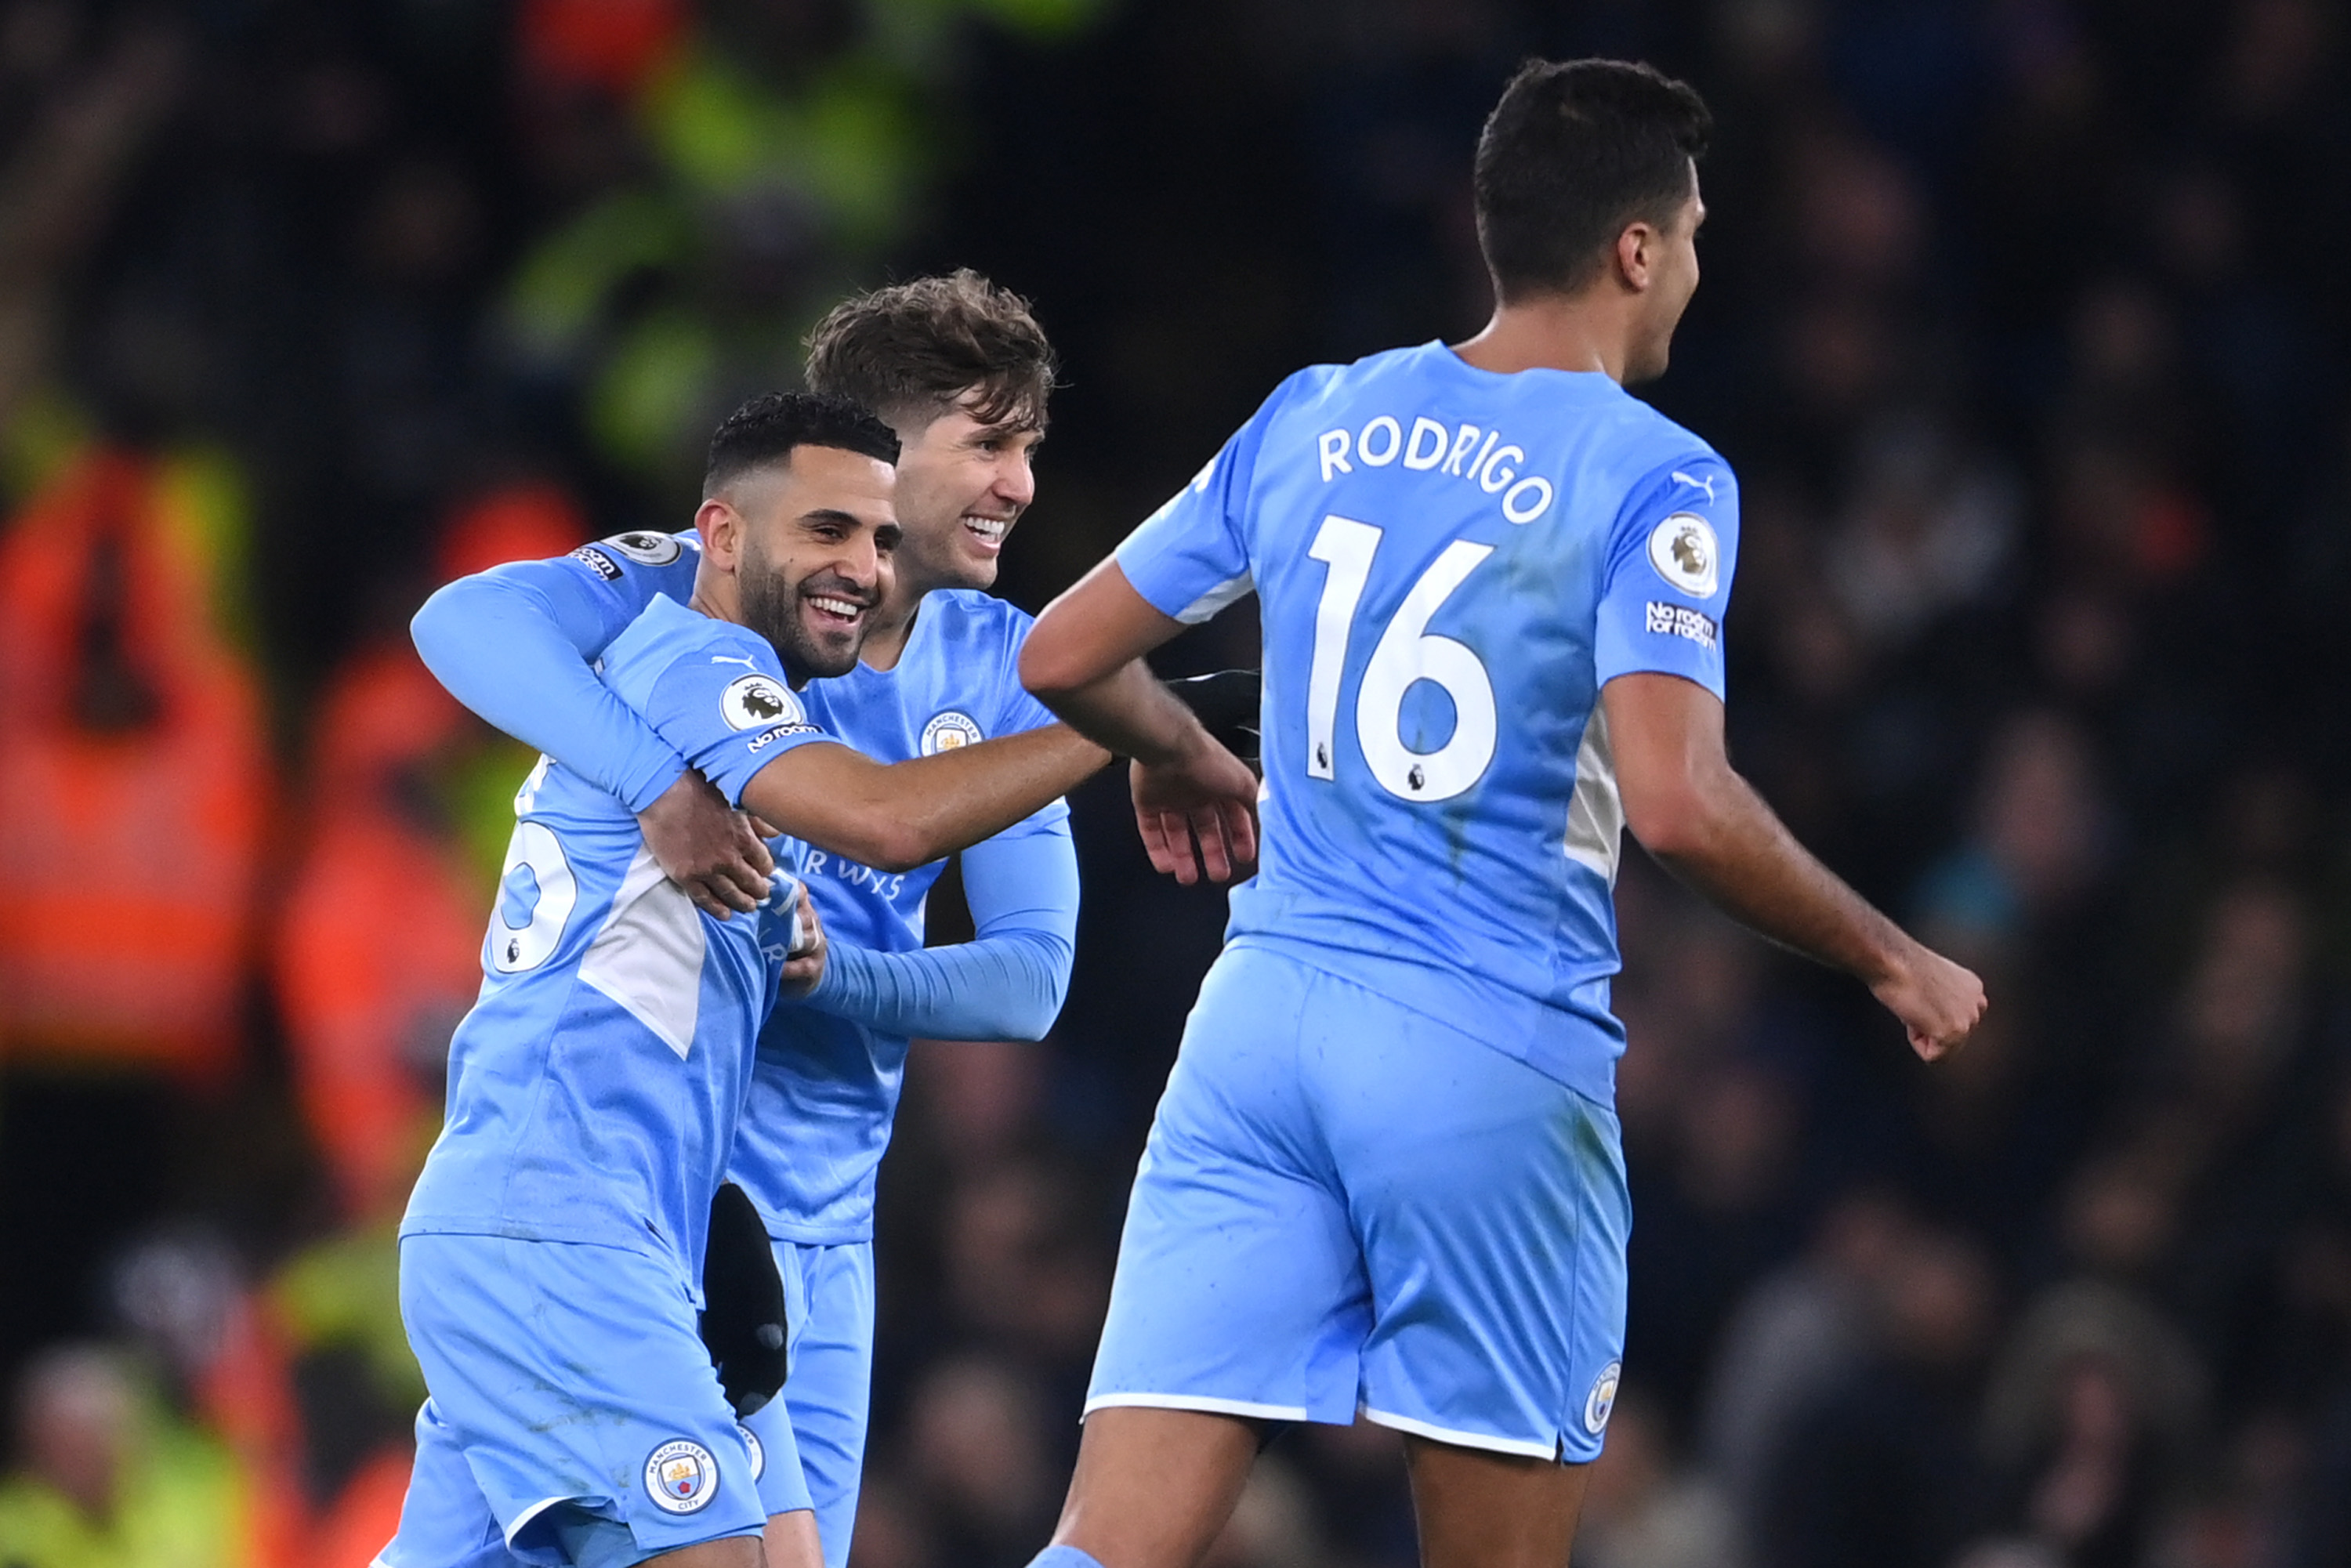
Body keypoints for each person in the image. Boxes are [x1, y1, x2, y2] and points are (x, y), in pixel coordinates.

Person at [1014, 58, 1987, 1568]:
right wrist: (1889, 955)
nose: (1699, 271)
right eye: (1695, 235)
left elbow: (1062, 654)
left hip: (1261, 1031)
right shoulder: (1656, 475)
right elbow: (1678, 802)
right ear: (1636, 248)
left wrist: (1175, 741)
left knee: (1102, 1547)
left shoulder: (1318, 413)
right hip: (1484, 1059)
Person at [408, 274, 1114, 1568]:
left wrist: (832, 975)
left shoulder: (1007, 663)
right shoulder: (699, 609)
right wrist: (655, 783)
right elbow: (461, 620)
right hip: (653, 1198)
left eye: (1030, 449)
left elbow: (1030, 981)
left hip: (815, 1227)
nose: (1018, 484)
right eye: (988, 443)